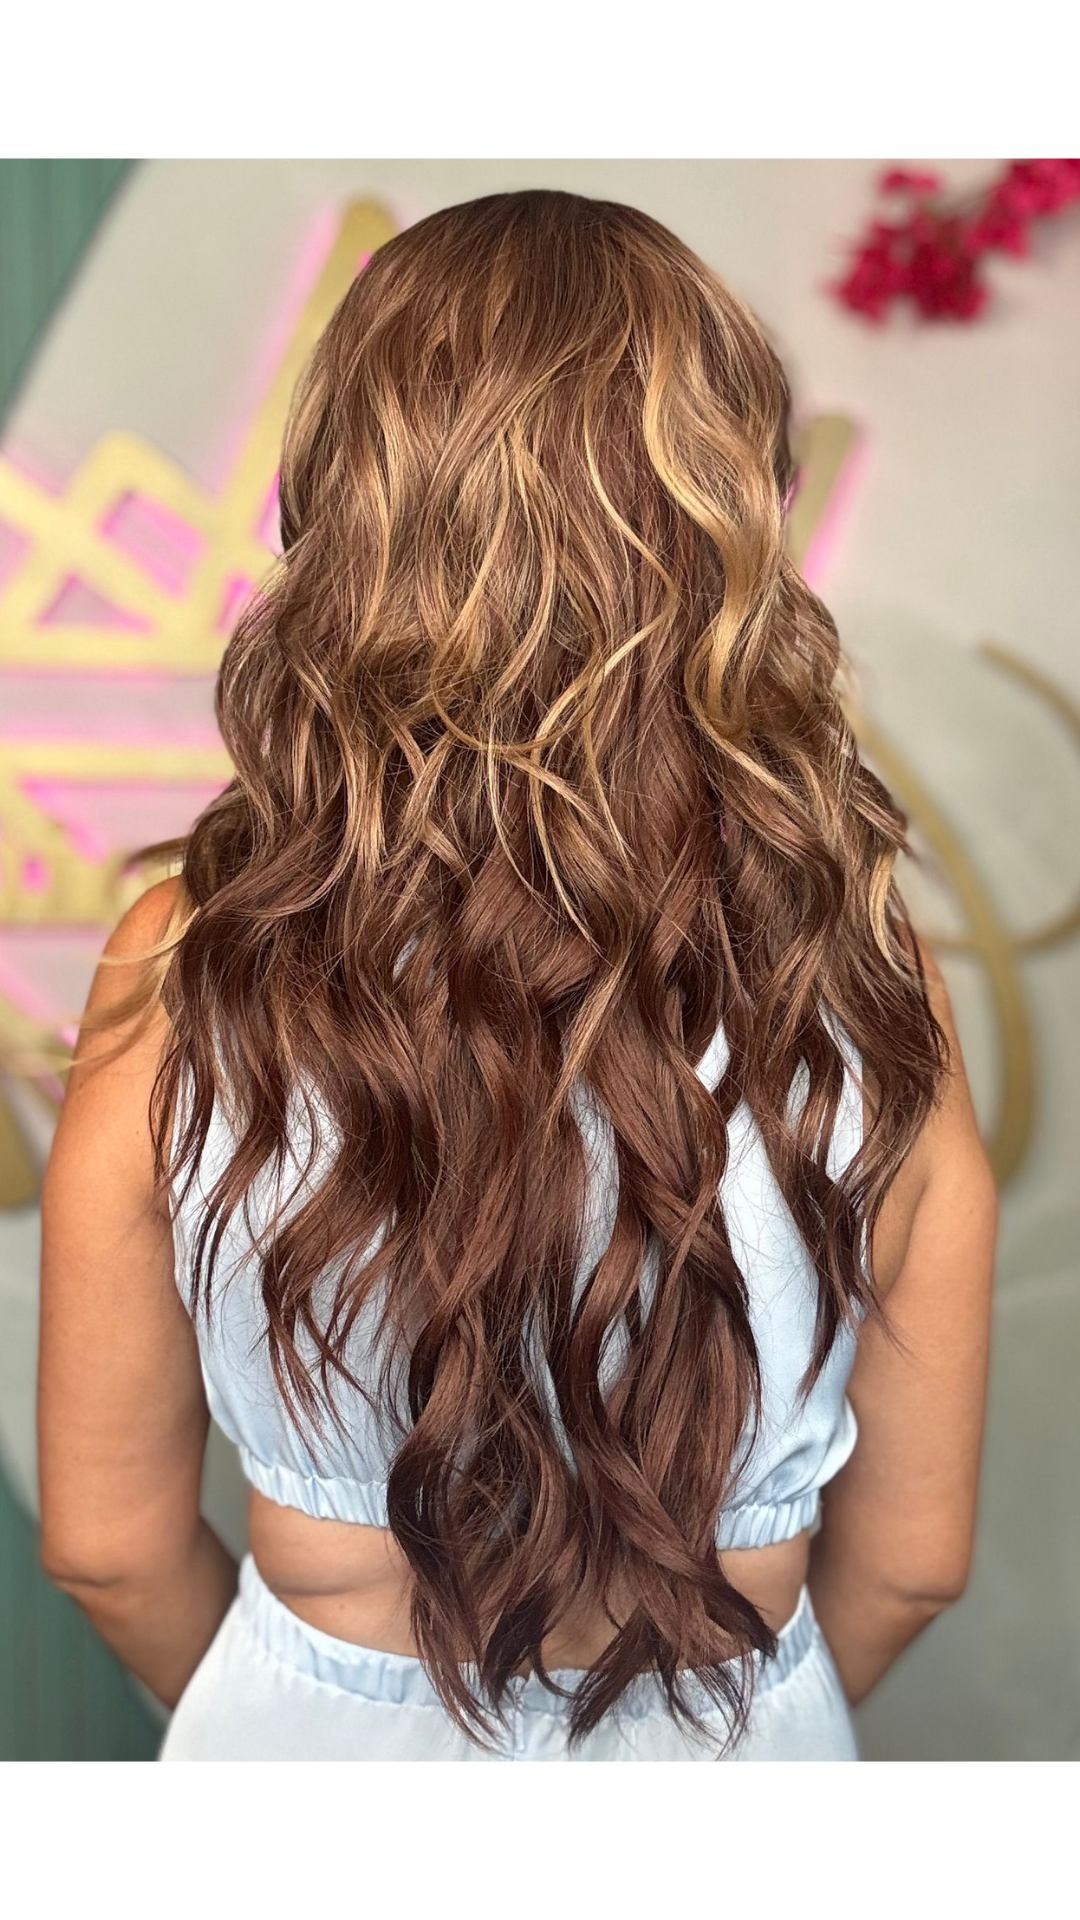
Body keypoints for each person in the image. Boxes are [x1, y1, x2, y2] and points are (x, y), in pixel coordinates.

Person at [38, 191, 997, 1763]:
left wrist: (285, 1707)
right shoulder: (863, 980)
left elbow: (107, 1547)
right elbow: (911, 1564)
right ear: (728, 522)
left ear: (348, 506)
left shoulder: (187, 963)